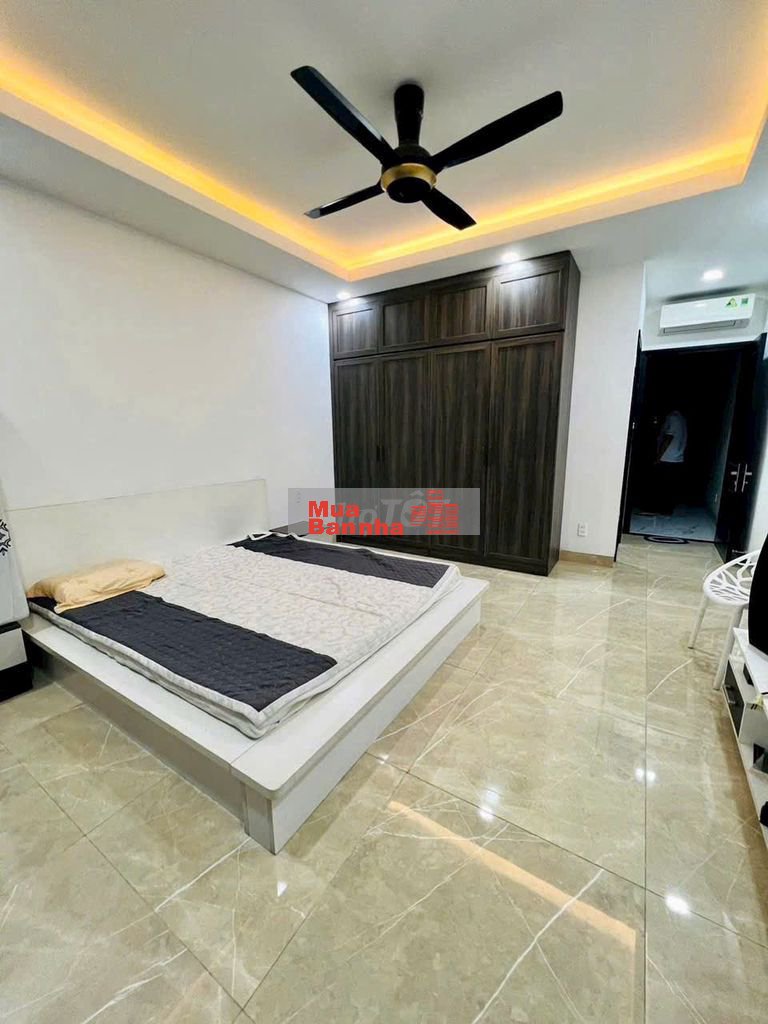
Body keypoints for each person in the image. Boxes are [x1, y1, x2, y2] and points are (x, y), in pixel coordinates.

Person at [654, 407, 687, 514]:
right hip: (678, 457)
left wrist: (658, 456)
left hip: (667, 457)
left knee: (664, 485)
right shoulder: (682, 419)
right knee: (670, 485)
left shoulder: (673, 418)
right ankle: (667, 508)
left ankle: (663, 508)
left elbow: (668, 438)